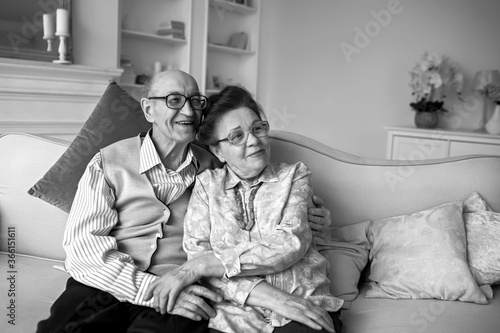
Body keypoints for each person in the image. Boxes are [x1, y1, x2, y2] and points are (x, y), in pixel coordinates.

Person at [37, 70, 333, 333]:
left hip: (179, 293)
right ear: (148, 109)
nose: (189, 110)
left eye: (195, 100)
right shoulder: (108, 162)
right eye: (175, 100)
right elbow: (83, 251)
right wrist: (149, 288)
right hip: (105, 286)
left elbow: (257, 208)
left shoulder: (215, 168)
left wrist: (316, 221)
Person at [183, 85, 344, 333]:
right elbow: (199, 263)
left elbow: (289, 244)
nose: (254, 140)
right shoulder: (206, 186)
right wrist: (272, 299)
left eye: (258, 128)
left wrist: (215, 262)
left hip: (304, 307)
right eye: (237, 136)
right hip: (233, 317)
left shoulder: (294, 176)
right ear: (217, 150)